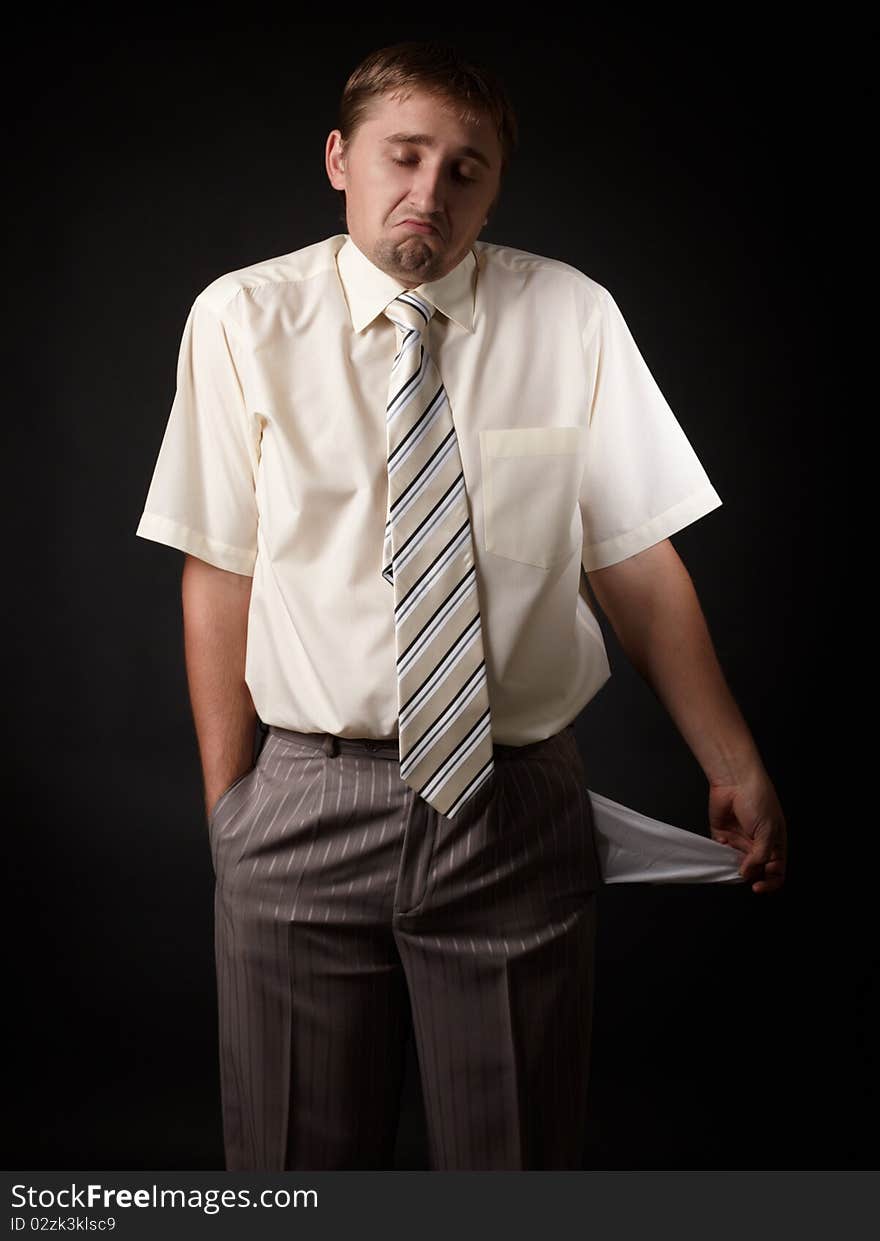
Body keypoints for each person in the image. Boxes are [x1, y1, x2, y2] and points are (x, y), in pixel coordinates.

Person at [135, 40, 787, 1171]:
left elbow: (633, 560)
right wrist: (230, 817)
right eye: (405, 155)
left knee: (513, 1172)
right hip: (303, 798)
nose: (430, 192)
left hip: (513, 803)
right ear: (340, 159)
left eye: (466, 169)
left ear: (494, 185)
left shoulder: (571, 317)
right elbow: (219, 571)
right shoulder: (241, 319)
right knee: (297, 1174)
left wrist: (732, 759)